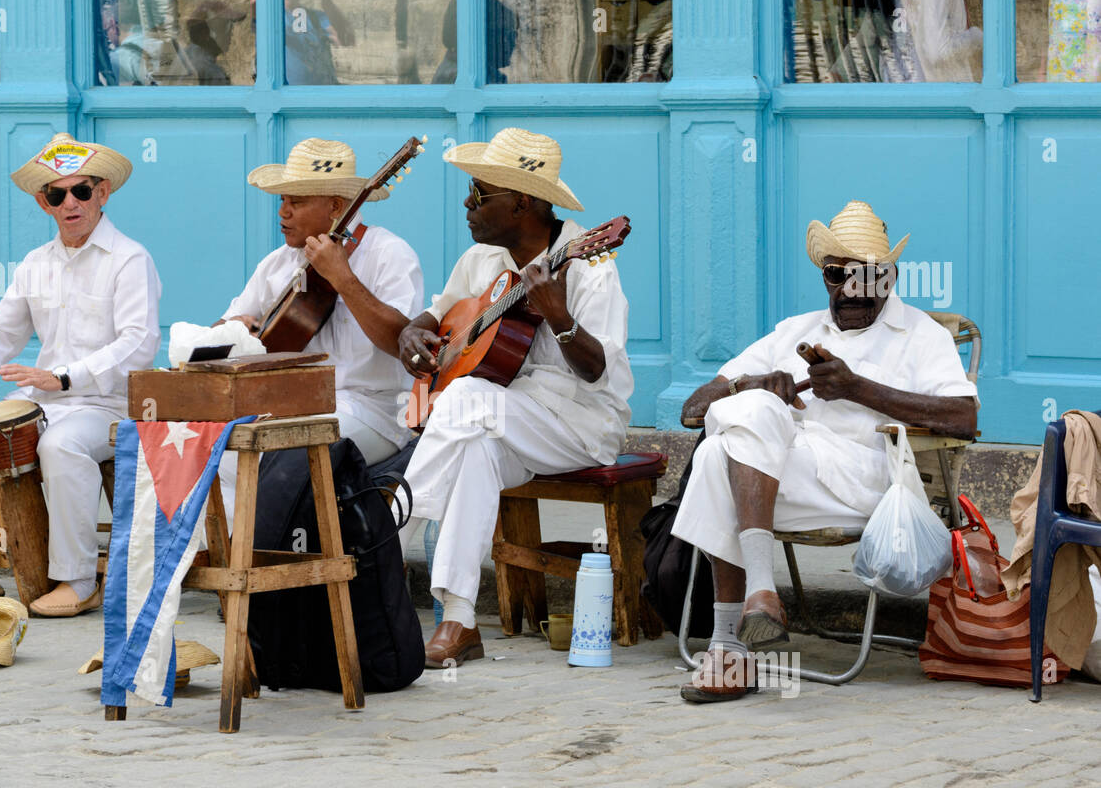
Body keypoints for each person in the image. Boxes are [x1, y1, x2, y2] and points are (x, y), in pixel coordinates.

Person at [671, 200, 978, 702]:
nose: (851, 289)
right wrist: (751, 384)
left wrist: (858, 388)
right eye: (838, 275)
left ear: (889, 276)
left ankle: (731, 644)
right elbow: (693, 407)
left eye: (867, 275)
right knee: (727, 438)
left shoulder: (921, 333)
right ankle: (758, 605)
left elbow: (964, 418)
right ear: (824, 277)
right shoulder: (796, 330)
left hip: (867, 484)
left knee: (725, 448)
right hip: (778, 480)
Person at [397, 128, 634, 668]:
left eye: (479, 194)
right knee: (475, 448)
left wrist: (559, 315)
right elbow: (442, 312)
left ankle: (390, 533)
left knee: (465, 399)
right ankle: (458, 621)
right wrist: (416, 330)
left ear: (522, 203)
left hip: (581, 421)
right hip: (508, 414)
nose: (466, 203)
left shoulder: (590, 264)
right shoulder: (483, 258)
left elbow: (598, 372)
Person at [0, 133, 161, 617]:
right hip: (48, 402)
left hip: (109, 405)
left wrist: (65, 377)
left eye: (81, 191)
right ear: (43, 202)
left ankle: (77, 580)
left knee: (61, 445)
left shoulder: (130, 259)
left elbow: (140, 344)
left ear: (103, 192)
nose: (70, 202)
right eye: (57, 194)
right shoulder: (35, 264)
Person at [213, 137, 423, 520]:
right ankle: (239, 561)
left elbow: (402, 345)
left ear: (336, 206)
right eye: (282, 201)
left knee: (282, 453)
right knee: (215, 452)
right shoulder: (277, 263)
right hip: (291, 407)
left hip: (374, 412)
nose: (284, 212)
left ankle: (275, 565)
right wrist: (233, 330)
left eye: (297, 201)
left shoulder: (389, 254)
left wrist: (343, 278)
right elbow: (221, 329)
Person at [283, 0, 354, 85]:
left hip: (320, 91)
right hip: (285, 94)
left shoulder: (316, 17)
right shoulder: (270, 19)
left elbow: (344, 39)